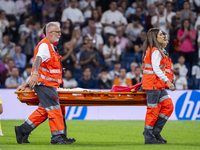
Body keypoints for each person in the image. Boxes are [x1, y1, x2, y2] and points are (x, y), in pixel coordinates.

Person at [14, 22, 74, 145]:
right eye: (58, 32)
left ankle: (22, 130)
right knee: (54, 109)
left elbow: (41, 69)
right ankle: (57, 138)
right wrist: (34, 76)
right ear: (50, 33)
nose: (60, 34)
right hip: (45, 85)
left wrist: (28, 83)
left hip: (47, 84)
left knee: (45, 110)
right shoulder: (45, 46)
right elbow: (37, 60)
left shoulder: (50, 46)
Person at [142, 28, 175, 144]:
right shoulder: (155, 51)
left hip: (157, 85)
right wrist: (168, 81)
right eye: (161, 34)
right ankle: (149, 135)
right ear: (155, 38)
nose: (163, 36)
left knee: (168, 106)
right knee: (153, 110)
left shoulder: (155, 50)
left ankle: (155, 132)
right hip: (152, 85)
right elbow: (156, 69)